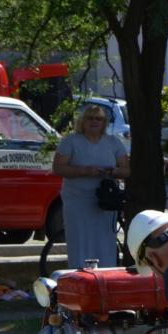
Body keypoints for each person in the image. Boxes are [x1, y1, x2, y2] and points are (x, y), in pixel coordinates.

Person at [51, 102, 129, 268]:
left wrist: (112, 172)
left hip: (105, 202)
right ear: (83, 121)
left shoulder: (113, 142)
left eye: (98, 119)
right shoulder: (71, 141)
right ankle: (80, 274)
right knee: (79, 241)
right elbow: (58, 168)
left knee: (104, 242)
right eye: (90, 118)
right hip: (77, 201)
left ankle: (105, 275)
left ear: (104, 123)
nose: (94, 121)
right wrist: (84, 171)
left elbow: (126, 170)